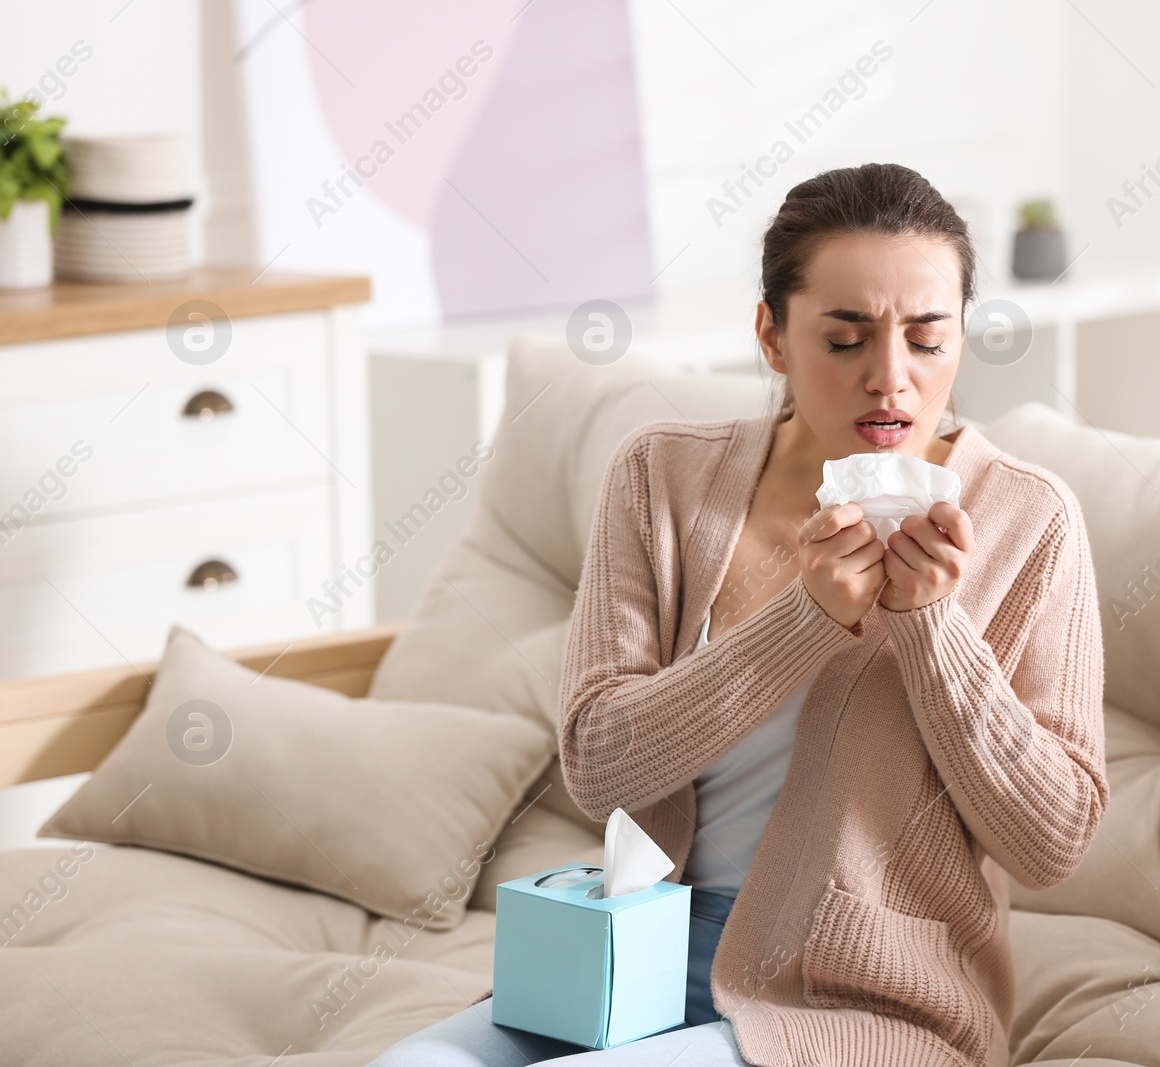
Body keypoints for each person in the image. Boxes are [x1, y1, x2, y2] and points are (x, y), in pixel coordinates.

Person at [366, 162, 1108, 1067]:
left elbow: (1053, 839)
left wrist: (934, 630)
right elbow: (600, 763)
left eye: (927, 337)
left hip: (857, 1008)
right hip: (627, 958)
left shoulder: (1028, 519)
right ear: (772, 336)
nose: (892, 379)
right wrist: (801, 621)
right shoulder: (662, 479)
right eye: (845, 339)